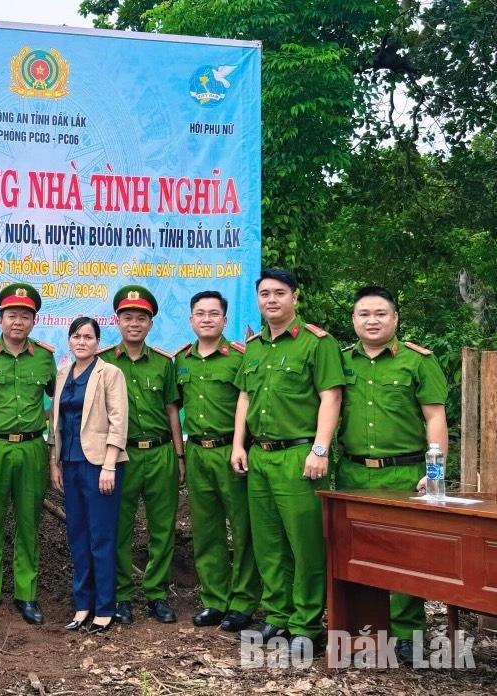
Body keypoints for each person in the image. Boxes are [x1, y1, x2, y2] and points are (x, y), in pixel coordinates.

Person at [230, 269, 344, 657]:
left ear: (295, 297)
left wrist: (320, 449)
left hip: (300, 455)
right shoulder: (255, 346)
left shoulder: (316, 343)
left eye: (280, 293)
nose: (272, 300)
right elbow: (244, 398)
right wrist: (238, 445)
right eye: (264, 294)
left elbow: (331, 397)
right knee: (269, 543)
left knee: (305, 542)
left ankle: (306, 624)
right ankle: (278, 614)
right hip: (259, 455)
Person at [336, 285, 448, 664]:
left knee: (405, 557)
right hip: (352, 473)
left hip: (404, 473)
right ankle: (365, 633)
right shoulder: (339, 360)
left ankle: (407, 634)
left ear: (395, 319)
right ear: (353, 320)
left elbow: (434, 417)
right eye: (364, 313)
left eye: (380, 313)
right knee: (356, 555)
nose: (372, 320)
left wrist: (434, 473)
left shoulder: (417, 361)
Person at [0, 283, 56, 625]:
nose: (18, 321)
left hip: (32, 447)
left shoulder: (45, 358)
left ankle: (26, 595)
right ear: (1, 318)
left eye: (25, 315)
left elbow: (60, 402)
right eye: (12, 315)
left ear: (34, 321)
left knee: (29, 524)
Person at [175, 291, 260, 632]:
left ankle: (242, 603)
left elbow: (252, 402)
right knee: (206, 529)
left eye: (214, 313)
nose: (207, 319)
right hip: (197, 452)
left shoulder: (240, 357)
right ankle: (214, 600)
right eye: (200, 313)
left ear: (225, 320)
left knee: (243, 530)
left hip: (233, 452)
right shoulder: (181, 360)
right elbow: (173, 407)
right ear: (191, 320)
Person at [98, 285, 183, 625]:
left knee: (162, 527)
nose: (134, 323)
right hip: (121, 456)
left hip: (160, 452)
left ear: (150, 324)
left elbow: (173, 411)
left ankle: (157, 594)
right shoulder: (102, 362)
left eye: (141, 318)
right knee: (120, 527)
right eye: (128, 317)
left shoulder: (164, 363)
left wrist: (179, 457)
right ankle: (121, 595)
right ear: (117, 321)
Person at [50, 317, 128, 634]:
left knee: (101, 538)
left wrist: (109, 464)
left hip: (100, 467)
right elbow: (55, 420)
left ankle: (105, 608)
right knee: (78, 537)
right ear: (69, 341)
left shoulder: (110, 373)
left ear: (98, 342)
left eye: (88, 337)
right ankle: (83, 606)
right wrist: (55, 462)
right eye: (76, 336)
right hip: (69, 464)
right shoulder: (62, 373)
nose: (82, 341)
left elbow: (118, 421)